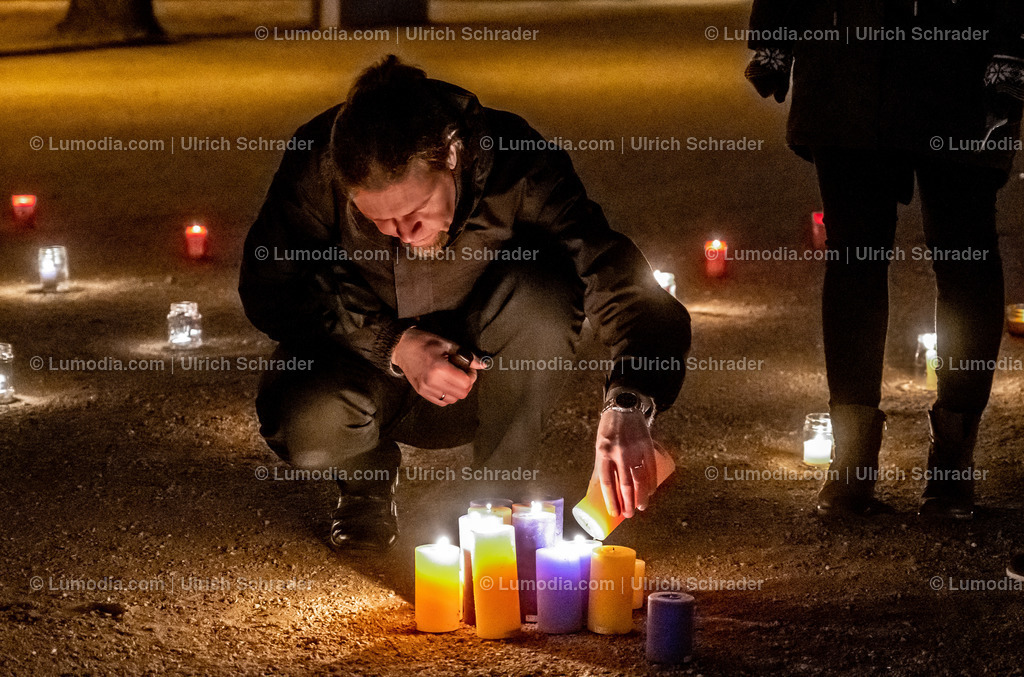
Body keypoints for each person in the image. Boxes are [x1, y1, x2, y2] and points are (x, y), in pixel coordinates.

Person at [239, 56, 690, 551]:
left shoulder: (518, 164)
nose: (404, 237)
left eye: (415, 213)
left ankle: (498, 498)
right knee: (307, 421)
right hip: (365, 377)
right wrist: (393, 343)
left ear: (452, 154)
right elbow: (269, 287)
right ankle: (364, 486)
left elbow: (615, 274)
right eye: (380, 223)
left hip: (487, 381)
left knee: (544, 290)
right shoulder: (316, 164)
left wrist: (629, 401)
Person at [745, 1, 1023, 518]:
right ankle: (850, 469)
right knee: (855, 260)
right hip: (850, 55)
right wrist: (777, 32)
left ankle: (952, 466)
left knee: (965, 258)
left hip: (959, 57)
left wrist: (1010, 47)